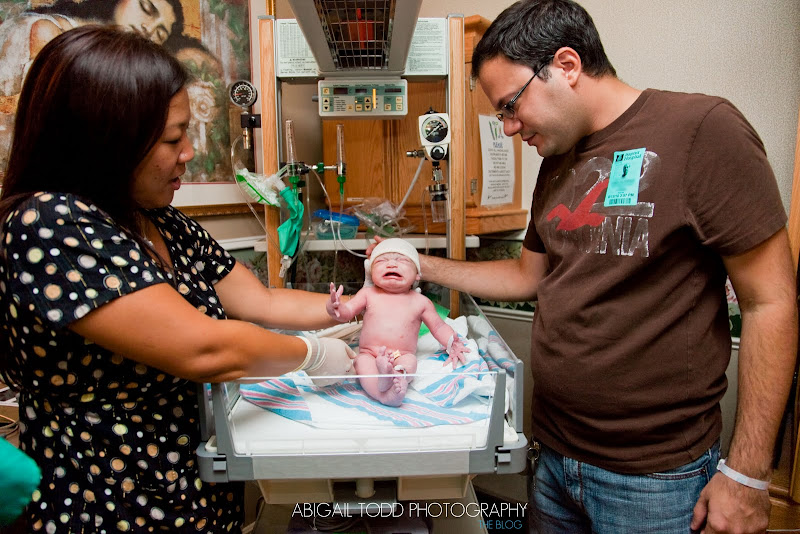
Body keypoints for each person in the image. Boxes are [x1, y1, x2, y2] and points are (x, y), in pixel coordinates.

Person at [368, 1, 797, 532]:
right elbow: (527, 277)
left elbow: (770, 301)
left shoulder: (702, 131)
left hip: (653, 479)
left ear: (566, 66)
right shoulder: (557, 161)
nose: (508, 128)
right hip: (553, 456)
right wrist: (417, 264)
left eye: (510, 106)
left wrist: (748, 474)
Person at [0, 26, 355, 533]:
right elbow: (205, 349)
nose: (188, 152)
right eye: (172, 138)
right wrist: (315, 354)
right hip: (109, 500)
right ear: (107, 141)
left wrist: (359, 307)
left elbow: (263, 301)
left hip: (193, 488)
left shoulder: (161, 220)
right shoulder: (50, 223)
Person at [326, 238, 469, 406]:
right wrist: (335, 307)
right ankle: (382, 393)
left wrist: (452, 343)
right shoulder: (367, 294)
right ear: (371, 271)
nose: (392, 264)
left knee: (410, 363)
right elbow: (347, 312)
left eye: (402, 260)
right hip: (370, 353)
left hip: (402, 354)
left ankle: (397, 377)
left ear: (417, 274)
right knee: (361, 363)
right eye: (381, 261)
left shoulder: (421, 302)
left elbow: (439, 327)